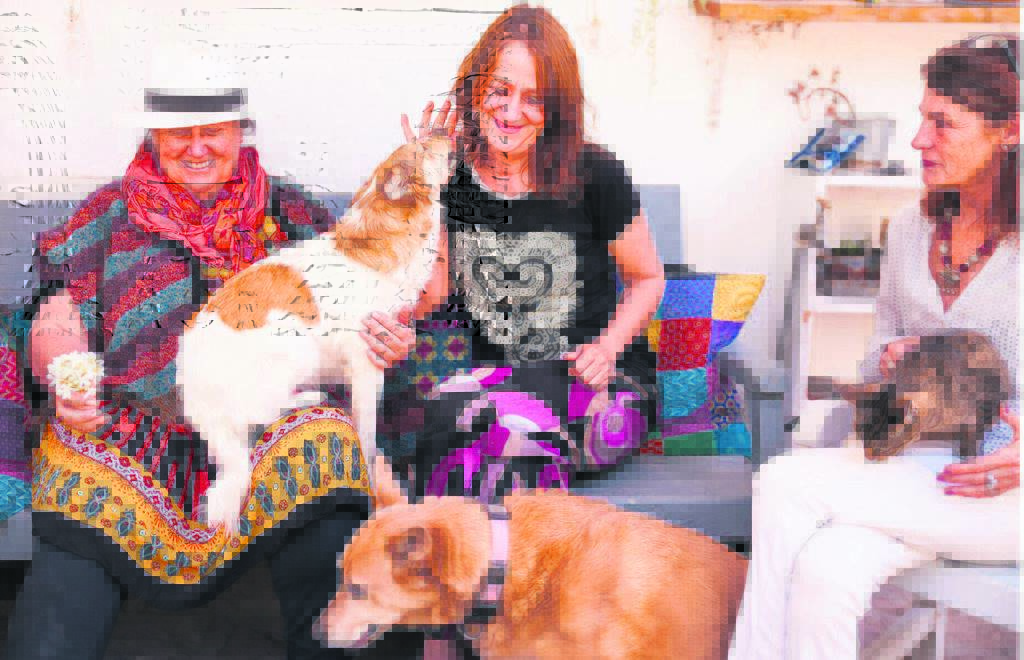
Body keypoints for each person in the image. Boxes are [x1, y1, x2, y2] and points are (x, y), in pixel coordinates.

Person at [6, 87, 421, 659]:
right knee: (69, 553)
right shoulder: (106, 215)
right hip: (132, 430)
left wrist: (384, 337)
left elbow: (363, 306)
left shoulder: (293, 213)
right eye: (180, 133)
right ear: (154, 138)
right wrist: (64, 374)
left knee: (328, 462)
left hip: (272, 424)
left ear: (239, 132)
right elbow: (57, 311)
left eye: (213, 131)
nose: (197, 147)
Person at [730, 35, 1020, 659]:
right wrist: (890, 361)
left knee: (782, 484)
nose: (919, 139)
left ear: (1010, 132)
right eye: (922, 118)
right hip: (913, 469)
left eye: (943, 123)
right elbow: (874, 354)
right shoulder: (913, 230)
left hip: (1002, 491)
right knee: (826, 569)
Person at [364, 4, 665, 503]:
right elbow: (432, 293)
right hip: (494, 391)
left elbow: (647, 277)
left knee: (483, 427)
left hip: (601, 391)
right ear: (476, 89)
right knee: (457, 419)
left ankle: (478, 548)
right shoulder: (455, 178)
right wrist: (429, 178)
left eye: (534, 99)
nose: (511, 111)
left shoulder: (595, 173)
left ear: (557, 109)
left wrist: (607, 349)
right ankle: (493, 548)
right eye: (500, 90)